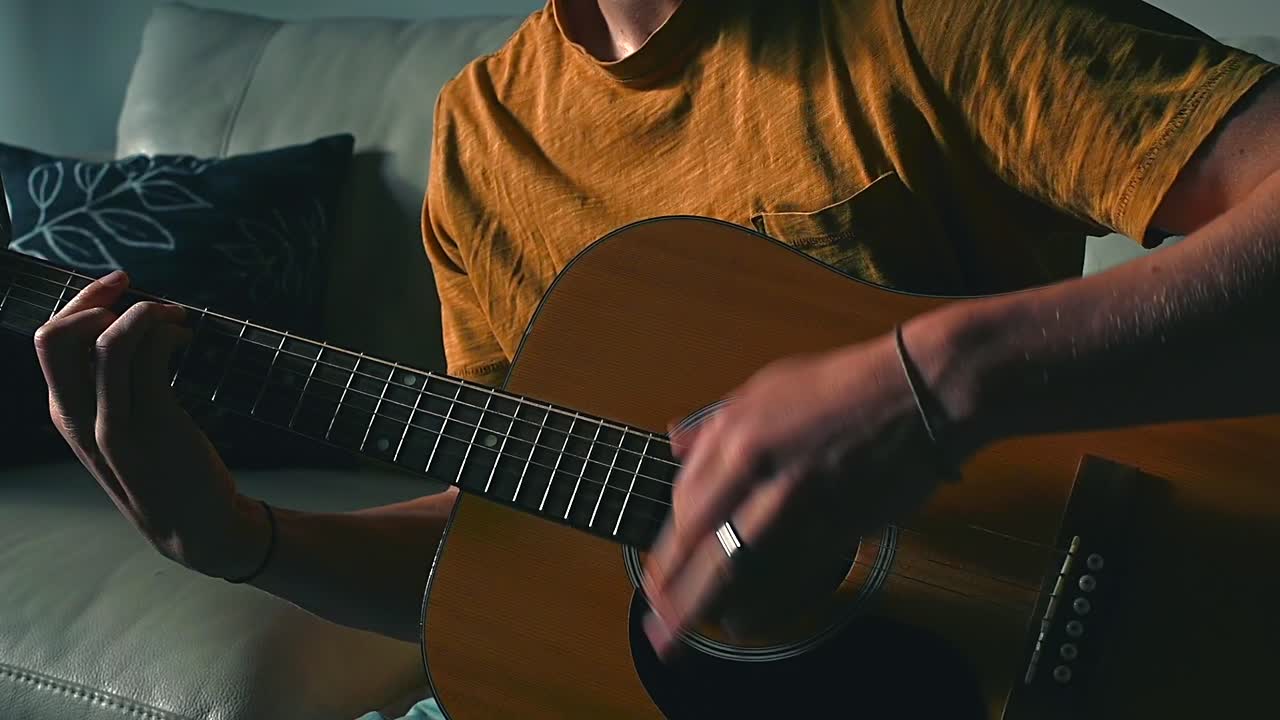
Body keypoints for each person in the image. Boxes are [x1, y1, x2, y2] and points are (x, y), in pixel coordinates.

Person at [30, 0, 1279, 718]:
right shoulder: (482, 133)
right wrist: (245, 540)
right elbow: (511, 526)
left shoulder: (917, 15)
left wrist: (929, 382)